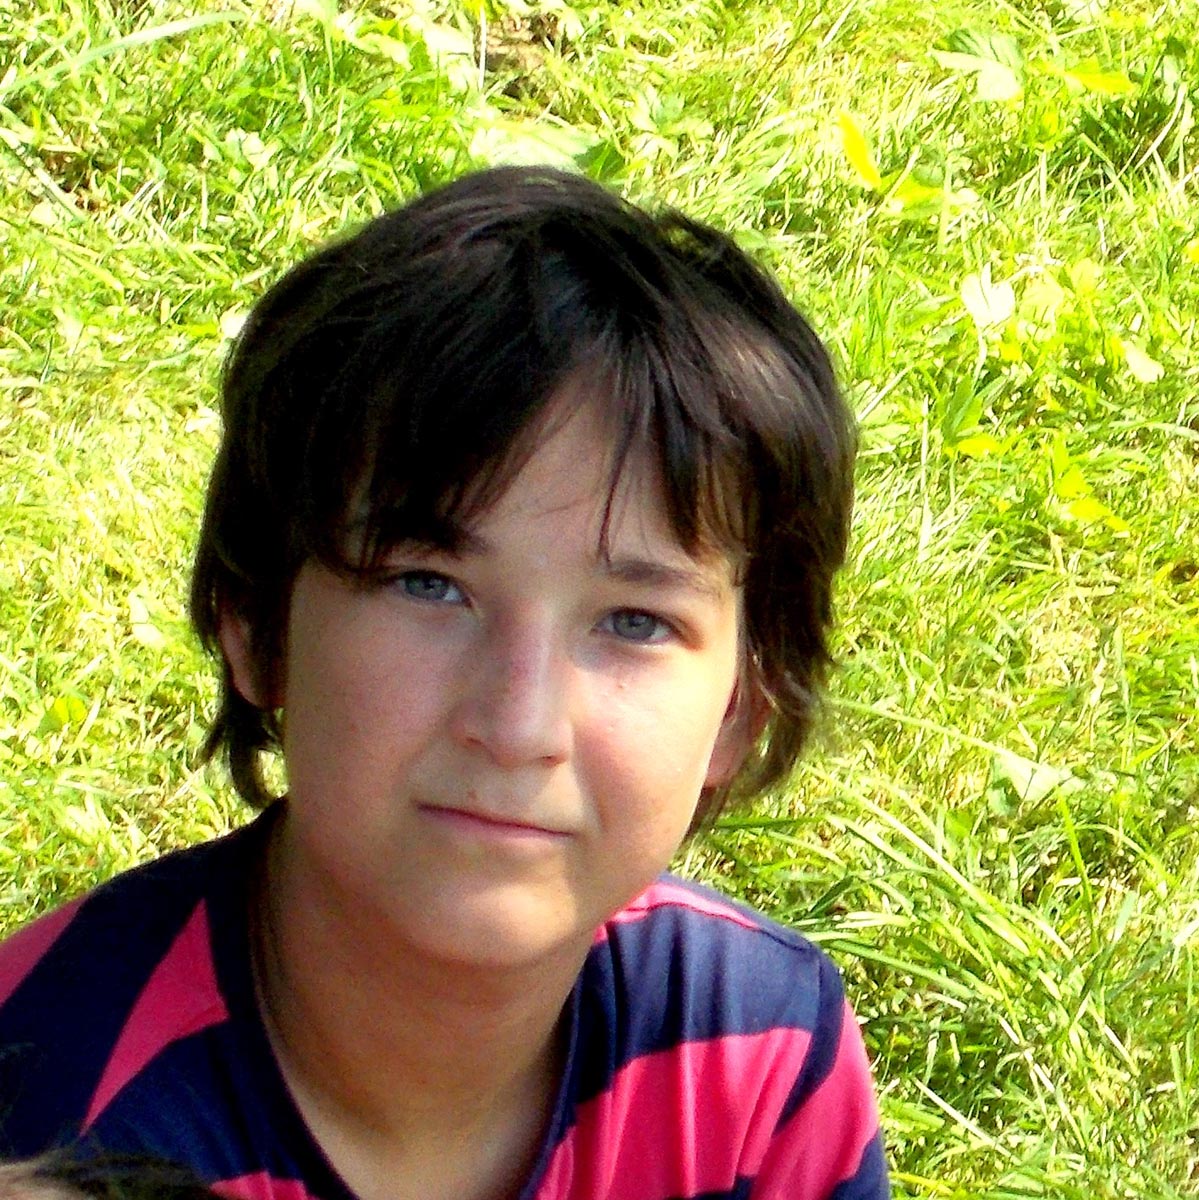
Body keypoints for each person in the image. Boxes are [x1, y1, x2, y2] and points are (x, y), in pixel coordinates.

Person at [0, 166, 889, 1200]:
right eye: (428, 584)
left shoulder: (758, 1058)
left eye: (634, 622)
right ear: (257, 623)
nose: (518, 723)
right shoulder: (47, 1121)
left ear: (741, 708)